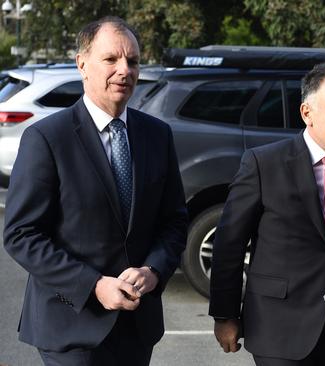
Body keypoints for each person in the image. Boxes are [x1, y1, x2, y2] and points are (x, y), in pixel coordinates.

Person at [3, 16, 188, 365]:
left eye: (132, 61)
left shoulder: (157, 136)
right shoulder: (47, 138)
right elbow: (21, 234)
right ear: (82, 64)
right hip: (71, 327)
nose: (125, 70)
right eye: (111, 59)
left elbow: (174, 222)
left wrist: (154, 270)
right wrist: (93, 285)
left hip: (137, 326)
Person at [209, 62, 325, 365]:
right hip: (277, 327)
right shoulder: (263, 164)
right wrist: (225, 316)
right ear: (307, 113)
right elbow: (229, 245)